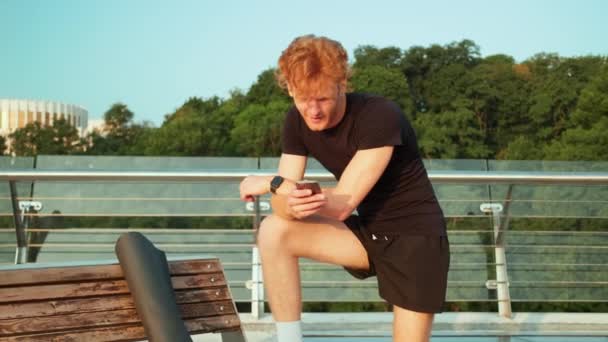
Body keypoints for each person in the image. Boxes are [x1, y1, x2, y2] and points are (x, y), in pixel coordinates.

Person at [239, 35, 450, 342]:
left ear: (342, 85)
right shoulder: (296, 122)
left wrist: (270, 183)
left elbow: (340, 205)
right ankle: (288, 338)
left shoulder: (379, 115)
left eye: (323, 99)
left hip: (416, 239)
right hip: (366, 233)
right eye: (302, 99)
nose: (313, 111)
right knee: (275, 230)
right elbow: (282, 207)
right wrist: (285, 196)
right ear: (289, 90)